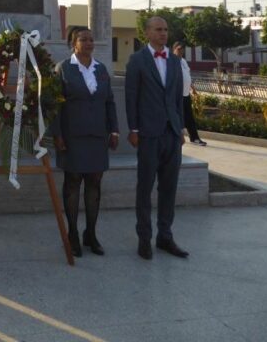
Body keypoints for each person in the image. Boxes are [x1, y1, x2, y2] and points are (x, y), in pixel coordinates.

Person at [52, 27, 119, 257]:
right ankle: (71, 234)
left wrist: (114, 130)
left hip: (97, 136)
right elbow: (55, 105)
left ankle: (90, 233)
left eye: (91, 39)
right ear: (73, 43)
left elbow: (109, 101)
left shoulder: (101, 69)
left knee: (94, 184)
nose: (89, 43)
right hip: (72, 136)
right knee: (72, 183)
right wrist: (57, 134)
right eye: (83, 39)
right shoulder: (63, 69)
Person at [125, 16, 188, 260]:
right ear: (148, 32)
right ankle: (144, 237)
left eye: (166, 29)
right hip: (148, 133)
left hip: (171, 133)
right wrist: (133, 129)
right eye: (158, 29)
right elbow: (131, 98)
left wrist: (181, 128)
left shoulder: (174, 61)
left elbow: (177, 99)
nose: (164, 33)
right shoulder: (137, 60)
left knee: (169, 187)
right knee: (145, 186)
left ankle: (165, 236)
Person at [173, 41, 207, 146]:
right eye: (179, 49)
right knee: (176, 118)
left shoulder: (183, 61)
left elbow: (187, 75)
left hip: (186, 94)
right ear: (174, 49)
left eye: (182, 49)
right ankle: (175, 138)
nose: (181, 51)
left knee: (189, 117)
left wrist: (193, 88)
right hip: (176, 95)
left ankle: (194, 138)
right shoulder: (171, 61)